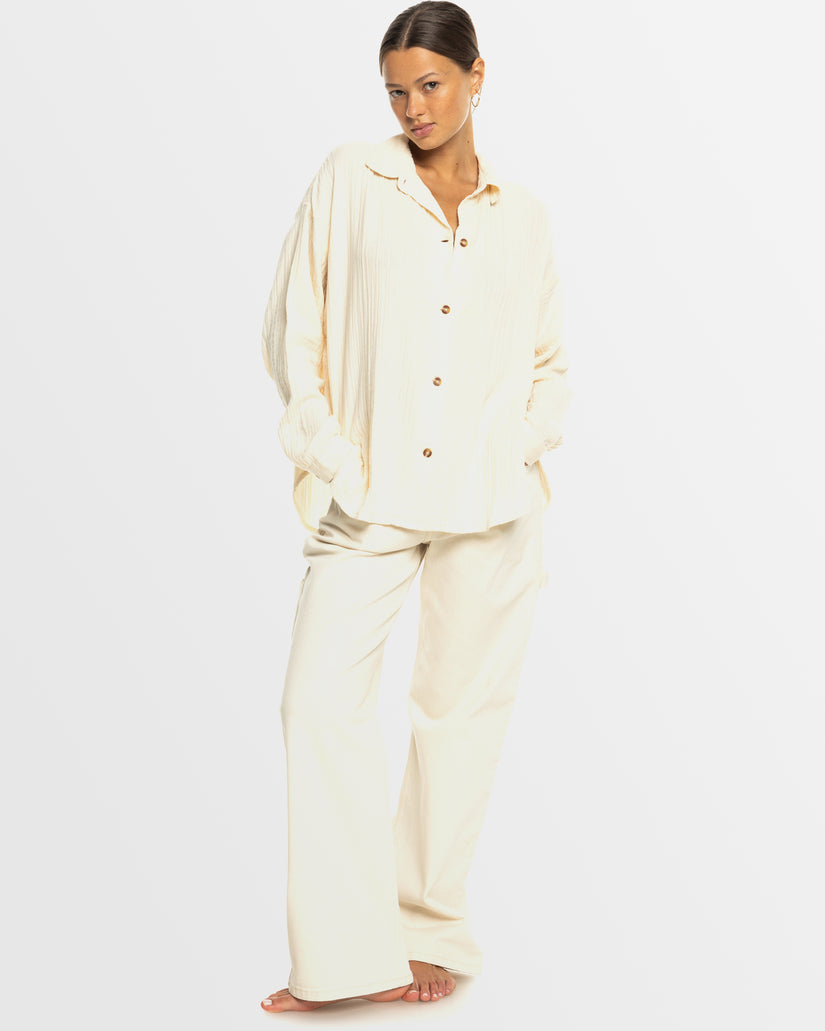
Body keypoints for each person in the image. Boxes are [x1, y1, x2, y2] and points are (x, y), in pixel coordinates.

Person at [259, 0, 572, 1013]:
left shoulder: (522, 215)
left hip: (493, 501)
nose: (413, 107)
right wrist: (334, 456)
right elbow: (290, 329)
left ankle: (426, 926)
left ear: (478, 76)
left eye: (430, 84)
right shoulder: (352, 177)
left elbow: (549, 362)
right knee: (318, 704)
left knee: (459, 715)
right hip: (371, 494)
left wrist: (517, 444)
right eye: (396, 90)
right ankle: (343, 958)